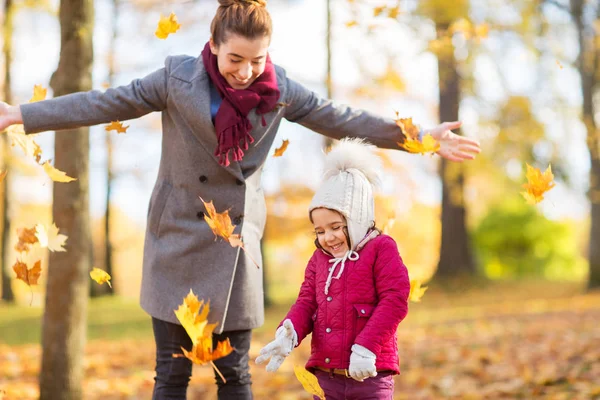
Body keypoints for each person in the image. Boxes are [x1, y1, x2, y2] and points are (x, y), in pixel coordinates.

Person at [0, 0, 480, 398]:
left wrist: (418, 137)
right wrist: (18, 113)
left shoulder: (281, 90)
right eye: (236, 60)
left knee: (236, 375)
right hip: (176, 241)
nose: (248, 71)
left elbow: (343, 118)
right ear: (213, 46)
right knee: (171, 374)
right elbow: (102, 102)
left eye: (258, 59)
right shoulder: (174, 79)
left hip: (236, 247)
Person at [255, 138, 409, 400]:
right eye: (320, 231)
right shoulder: (318, 259)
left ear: (357, 218)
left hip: (369, 374)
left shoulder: (381, 248)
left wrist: (366, 347)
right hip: (326, 376)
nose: (328, 237)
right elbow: (307, 302)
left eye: (336, 227)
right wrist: (289, 330)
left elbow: (395, 300)